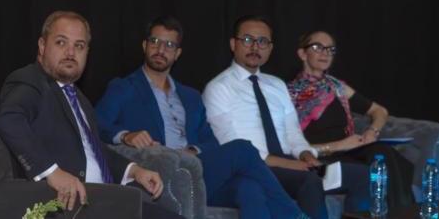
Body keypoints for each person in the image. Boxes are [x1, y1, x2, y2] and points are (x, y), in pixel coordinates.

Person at [95, 16, 303, 218]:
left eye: (169, 45)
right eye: (155, 42)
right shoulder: (123, 88)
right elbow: (95, 124)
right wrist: (125, 135)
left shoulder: (190, 97)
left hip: (197, 171)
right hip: (161, 170)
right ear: (144, 45)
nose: (161, 50)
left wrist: (194, 150)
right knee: (243, 149)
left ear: (177, 53)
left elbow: (211, 141)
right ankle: (294, 216)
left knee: (250, 188)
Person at [0, 11, 182, 219]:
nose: (70, 52)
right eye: (61, 43)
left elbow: (95, 149)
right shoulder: (31, 81)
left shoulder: (77, 97)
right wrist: (51, 172)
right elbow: (8, 118)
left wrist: (134, 170)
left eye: (79, 46)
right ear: (42, 45)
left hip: (107, 200)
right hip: (74, 205)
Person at [203, 15, 370, 219]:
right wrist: (294, 166)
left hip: (292, 162)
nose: (255, 47)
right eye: (247, 40)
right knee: (309, 180)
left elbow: (293, 134)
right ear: (233, 44)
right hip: (257, 167)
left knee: (364, 176)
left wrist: (306, 156)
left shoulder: (276, 85)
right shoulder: (218, 88)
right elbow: (232, 146)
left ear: (270, 48)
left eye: (262, 41)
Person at [287, 30, 415, 210]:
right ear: (302, 53)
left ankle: (402, 212)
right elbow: (290, 147)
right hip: (320, 159)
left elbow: (380, 111)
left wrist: (372, 131)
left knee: (383, 153)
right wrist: (340, 145)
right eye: (317, 47)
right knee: (379, 169)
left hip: (350, 153)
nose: (325, 53)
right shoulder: (287, 94)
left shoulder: (337, 87)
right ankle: (405, 212)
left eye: (330, 49)